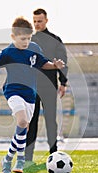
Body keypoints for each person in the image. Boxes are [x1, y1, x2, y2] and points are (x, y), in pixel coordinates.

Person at [0, 16, 65, 173]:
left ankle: (11, 158)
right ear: (13, 37)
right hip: (13, 91)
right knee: (22, 121)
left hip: (30, 94)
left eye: (29, 38)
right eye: (23, 39)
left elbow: (42, 63)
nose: (26, 42)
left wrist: (55, 66)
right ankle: (17, 159)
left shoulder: (34, 48)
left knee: (24, 127)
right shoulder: (8, 52)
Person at [25, 8, 68, 162]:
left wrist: (63, 82)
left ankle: (53, 154)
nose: (37, 24)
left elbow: (63, 62)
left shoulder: (55, 39)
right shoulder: (29, 40)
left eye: (40, 21)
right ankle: (28, 157)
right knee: (31, 121)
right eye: (34, 21)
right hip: (32, 87)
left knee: (51, 121)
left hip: (49, 86)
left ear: (46, 20)